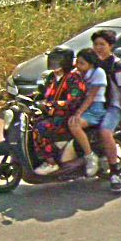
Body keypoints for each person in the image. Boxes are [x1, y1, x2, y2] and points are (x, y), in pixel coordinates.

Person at [31, 47, 87, 176]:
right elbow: (43, 93)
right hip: (51, 113)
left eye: (57, 60)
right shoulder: (51, 77)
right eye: (52, 59)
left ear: (66, 61)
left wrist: (51, 104)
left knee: (39, 129)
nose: (54, 63)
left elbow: (73, 101)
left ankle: (51, 162)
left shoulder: (74, 77)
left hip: (66, 117)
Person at [91, 28, 121, 194]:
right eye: (96, 44)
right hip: (96, 105)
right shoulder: (93, 63)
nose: (98, 47)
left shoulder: (118, 66)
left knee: (105, 131)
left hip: (113, 107)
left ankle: (114, 174)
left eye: (102, 44)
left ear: (111, 46)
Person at [67, 48, 108, 177]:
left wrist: (78, 113)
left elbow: (91, 97)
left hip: (95, 108)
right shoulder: (78, 73)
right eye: (77, 63)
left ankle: (90, 156)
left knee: (74, 124)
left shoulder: (98, 73)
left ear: (91, 64)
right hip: (82, 106)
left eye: (82, 63)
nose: (78, 66)